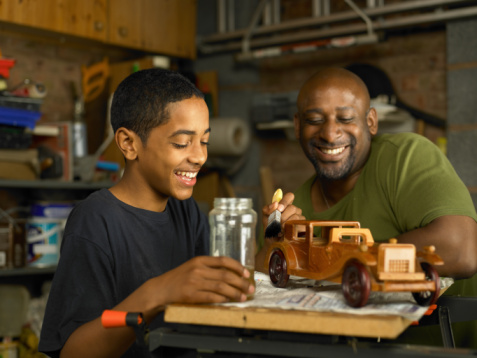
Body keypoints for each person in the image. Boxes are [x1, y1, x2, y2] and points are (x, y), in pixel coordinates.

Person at [39, 68, 255, 358]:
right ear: (129, 144)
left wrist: (273, 241)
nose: (199, 156)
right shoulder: (95, 220)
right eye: (181, 142)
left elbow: (224, 292)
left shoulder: (185, 210)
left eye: (204, 140)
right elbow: (73, 351)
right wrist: (158, 292)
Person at [259, 67, 477, 348]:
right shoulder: (293, 207)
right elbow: (258, 279)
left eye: (346, 118)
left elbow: (463, 250)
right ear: (298, 126)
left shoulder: (406, 157)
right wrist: (270, 244)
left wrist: (362, 258)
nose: (329, 133)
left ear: (371, 122)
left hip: (457, 347)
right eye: (314, 120)